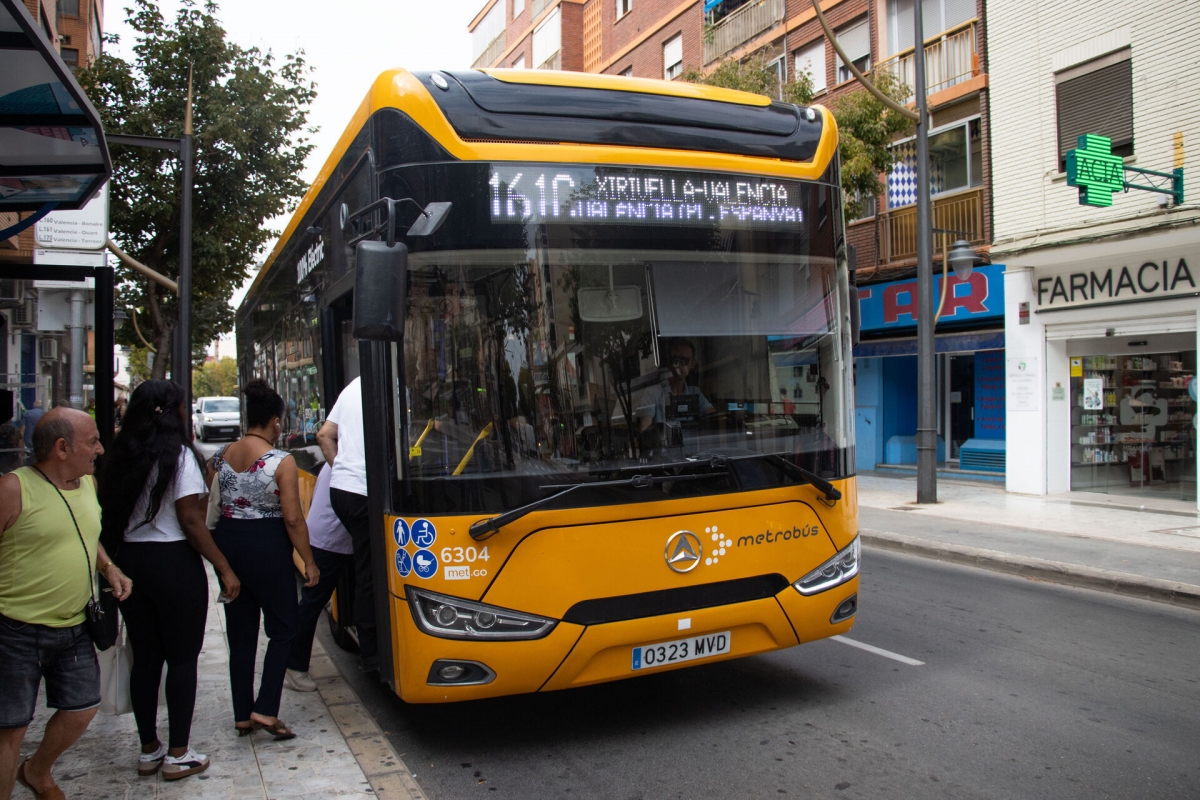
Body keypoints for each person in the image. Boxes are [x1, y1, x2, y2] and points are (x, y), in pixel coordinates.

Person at [97, 380, 242, 781]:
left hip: (130, 563)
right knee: (181, 659)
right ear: (175, 411)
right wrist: (223, 567)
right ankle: (180, 752)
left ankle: (149, 750)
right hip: (174, 562)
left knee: (145, 658)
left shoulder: (119, 455)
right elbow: (191, 520)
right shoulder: (179, 457)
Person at [0, 408, 133, 800]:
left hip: (74, 625)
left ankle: (36, 770)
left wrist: (109, 568)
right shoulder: (12, 488)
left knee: (82, 708)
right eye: (92, 440)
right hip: (15, 630)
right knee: (10, 730)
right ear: (61, 447)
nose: (100, 448)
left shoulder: (86, 484)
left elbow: (84, 536)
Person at [210, 380, 318, 739]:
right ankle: (266, 710)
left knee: (240, 637)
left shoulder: (221, 455)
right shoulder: (280, 461)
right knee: (284, 629)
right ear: (275, 421)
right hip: (268, 548)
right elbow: (292, 519)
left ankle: (243, 715)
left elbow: (214, 508)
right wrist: (309, 562)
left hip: (229, 545)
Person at [315, 377, 378, 672]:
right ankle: (373, 653)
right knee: (371, 571)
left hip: (341, 491)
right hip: (363, 493)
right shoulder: (392, 379)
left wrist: (341, 470)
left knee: (364, 565)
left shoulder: (355, 384)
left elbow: (324, 435)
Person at [283, 462, 354, 693]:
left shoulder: (338, 459)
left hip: (330, 538)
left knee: (312, 600)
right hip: (329, 542)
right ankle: (293, 666)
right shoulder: (344, 462)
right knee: (312, 602)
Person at [634, 339, 715, 447]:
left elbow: (713, 418)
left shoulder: (695, 393)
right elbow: (645, 431)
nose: (678, 365)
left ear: (692, 363)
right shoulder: (652, 393)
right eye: (675, 360)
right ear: (669, 364)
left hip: (693, 457)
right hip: (663, 459)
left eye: (684, 360)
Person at [17, 401, 44, 465]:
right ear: (41, 406)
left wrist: (21, 443)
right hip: (41, 442)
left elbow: (22, 429)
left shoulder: (27, 413)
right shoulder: (45, 414)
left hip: (29, 442)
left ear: (33, 406)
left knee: (29, 460)